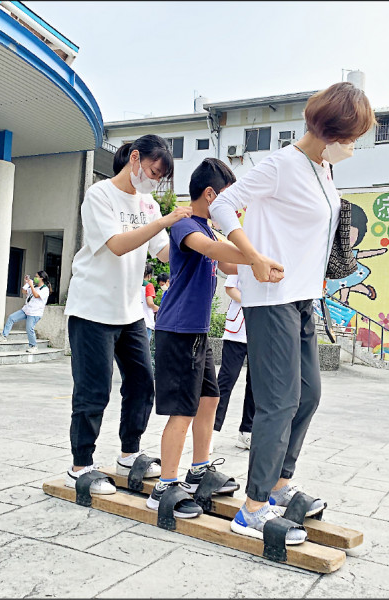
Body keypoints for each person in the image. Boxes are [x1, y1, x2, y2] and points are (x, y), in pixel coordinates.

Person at [210, 81, 376, 542]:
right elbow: (224, 205)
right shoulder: (282, 164)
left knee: (309, 395)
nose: (354, 145)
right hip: (272, 297)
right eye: (352, 136)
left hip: (304, 296)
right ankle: (253, 506)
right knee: (279, 400)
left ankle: (281, 483)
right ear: (333, 130)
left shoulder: (322, 169)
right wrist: (253, 257)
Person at [62, 135, 193, 496]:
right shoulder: (100, 195)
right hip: (91, 308)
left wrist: (199, 243)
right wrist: (166, 218)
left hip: (129, 312)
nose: (153, 181)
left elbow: (163, 251)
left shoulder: (149, 204)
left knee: (141, 384)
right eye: (152, 171)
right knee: (93, 390)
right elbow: (118, 245)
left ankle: (127, 454)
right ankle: (80, 466)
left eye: (160, 178)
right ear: (134, 158)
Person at [146, 158, 247, 519]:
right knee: (183, 410)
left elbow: (233, 264)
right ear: (210, 194)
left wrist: (265, 256)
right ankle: (165, 487)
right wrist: (255, 255)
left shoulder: (207, 227)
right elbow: (214, 252)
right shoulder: (187, 225)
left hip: (198, 332)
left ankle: (198, 469)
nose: (232, 210)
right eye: (229, 201)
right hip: (177, 331)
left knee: (209, 399)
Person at [212, 273, 255, 450]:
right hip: (236, 332)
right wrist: (251, 303)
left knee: (255, 384)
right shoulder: (241, 257)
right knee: (226, 380)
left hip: (261, 332)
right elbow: (230, 288)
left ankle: (247, 432)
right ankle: (211, 431)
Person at [0, 271, 51, 353]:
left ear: (41, 278)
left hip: (35, 313)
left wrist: (31, 285)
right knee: (11, 318)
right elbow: (24, 291)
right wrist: (27, 283)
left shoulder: (45, 289)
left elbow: (36, 295)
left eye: (37, 276)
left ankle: (33, 346)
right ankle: (4, 336)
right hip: (26, 310)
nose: (35, 278)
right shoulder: (34, 286)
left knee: (29, 329)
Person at [141, 263, 158, 342]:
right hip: (146, 321)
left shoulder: (133, 284)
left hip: (132, 320)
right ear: (149, 275)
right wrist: (160, 309)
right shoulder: (148, 286)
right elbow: (150, 303)